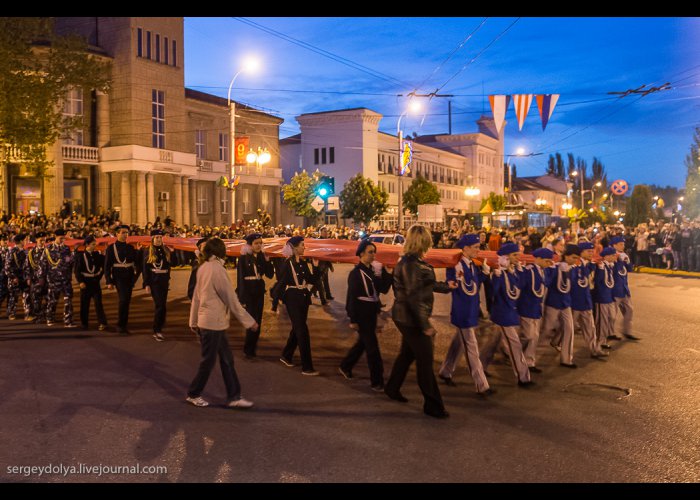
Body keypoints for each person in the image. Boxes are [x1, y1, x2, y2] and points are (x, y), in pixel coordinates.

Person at [384, 224, 457, 419]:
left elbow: (426, 285)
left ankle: (392, 388)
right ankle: (432, 405)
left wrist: (446, 286)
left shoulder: (414, 262)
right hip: (410, 318)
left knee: (407, 355)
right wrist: (425, 325)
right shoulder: (411, 264)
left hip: (407, 316)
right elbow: (413, 297)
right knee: (425, 362)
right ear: (423, 241)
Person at [187, 237, 258, 409]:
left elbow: (196, 296)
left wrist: (193, 320)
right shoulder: (217, 269)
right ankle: (194, 393)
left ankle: (234, 396)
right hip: (213, 323)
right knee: (209, 361)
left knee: (226, 359)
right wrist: (248, 321)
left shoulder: (203, 267)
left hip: (209, 321)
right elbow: (230, 298)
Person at [437, 234, 493, 395]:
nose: (478, 250)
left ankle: (446, 371)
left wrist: (485, 273)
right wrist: (450, 282)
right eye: (476, 247)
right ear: (466, 248)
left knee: (459, 343)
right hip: (462, 312)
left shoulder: (471, 265)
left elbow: (474, 283)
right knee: (471, 348)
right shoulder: (456, 265)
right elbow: (452, 280)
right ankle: (481, 384)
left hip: (471, 310)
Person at [340, 239, 393, 391]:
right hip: (362, 314)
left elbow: (383, 289)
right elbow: (351, 297)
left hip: (371, 313)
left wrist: (387, 274)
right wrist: (353, 319)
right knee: (372, 349)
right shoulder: (355, 273)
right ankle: (377, 381)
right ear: (361, 253)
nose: (373, 255)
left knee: (363, 343)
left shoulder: (374, 271)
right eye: (370, 252)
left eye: (374, 252)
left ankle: (345, 365)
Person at [480, 243, 533, 387]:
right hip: (502, 314)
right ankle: (523, 377)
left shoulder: (513, 272)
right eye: (515, 255)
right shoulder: (500, 273)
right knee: (514, 345)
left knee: (492, 342)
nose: (518, 257)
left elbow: (520, 288)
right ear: (506, 257)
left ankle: (480, 367)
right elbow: (492, 294)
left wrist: (520, 271)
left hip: (510, 313)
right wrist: (496, 275)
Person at [277, 236, 322, 375]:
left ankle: (286, 355)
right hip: (292, 299)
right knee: (302, 331)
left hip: (303, 298)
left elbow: (311, 280)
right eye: (302, 245)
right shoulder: (287, 263)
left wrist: (315, 267)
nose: (304, 247)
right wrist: (275, 303)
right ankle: (307, 367)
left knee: (297, 329)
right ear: (295, 247)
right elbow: (281, 282)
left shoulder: (302, 263)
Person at [540, 244, 580, 368]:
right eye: (573, 257)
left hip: (565, 303)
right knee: (546, 330)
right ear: (566, 256)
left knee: (569, 328)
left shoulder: (572, 269)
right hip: (553, 303)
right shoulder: (554, 268)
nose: (575, 260)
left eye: (576, 258)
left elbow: (571, 287)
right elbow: (546, 283)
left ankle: (567, 359)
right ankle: (529, 358)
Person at [236, 233, 274, 359]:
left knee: (258, 319)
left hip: (258, 291)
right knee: (251, 320)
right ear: (250, 245)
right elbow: (240, 279)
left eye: (260, 243)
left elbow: (269, 275)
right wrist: (242, 298)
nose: (259, 245)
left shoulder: (262, 257)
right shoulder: (243, 258)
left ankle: (252, 347)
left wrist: (268, 262)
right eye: (256, 243)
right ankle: (248, 348)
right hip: (249, 292)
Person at [516, 247, 554, 373]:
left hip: (536, 307)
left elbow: (547, 284)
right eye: (547, 261)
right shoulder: (529, 271)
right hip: (527, 306)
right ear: (538, 259)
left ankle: (530, 361)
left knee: (535, 336)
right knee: (528, 336)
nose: (549, 264)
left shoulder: (545, 271)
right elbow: (520, 285)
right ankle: (511, 351)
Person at [104, 224, 141, 335]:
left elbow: (136, 262)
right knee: (123, 300)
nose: (125, 235)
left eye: (127, 233)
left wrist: (138, 251)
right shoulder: (111, 248)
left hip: (129, 277)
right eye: (123, 232)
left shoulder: (130, 248)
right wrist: (109, 281)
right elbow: (107, 266)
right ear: (117, 234)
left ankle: (123, 324)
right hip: (118, 276)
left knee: (126, 301)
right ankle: (120, 325)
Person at [42, 229, 77, 328]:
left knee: (68, 300)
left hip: (65, 278)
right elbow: (43, 264)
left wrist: (73, 254)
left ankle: (68, 320)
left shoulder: (66, 248)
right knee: (52, 300)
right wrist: (42, 278)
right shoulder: (48, 249)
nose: (62, 240)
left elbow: (69, 261)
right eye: (60, 238)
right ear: (55, 237)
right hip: (53, 279)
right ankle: (50, 318)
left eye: (63, 238)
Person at [74, 235, 108, 331]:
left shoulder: (97, 255)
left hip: (95, 283)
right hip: (85, 283)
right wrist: (80, 281)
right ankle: (84, 323)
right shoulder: (80, 256)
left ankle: (102, 322)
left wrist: (99, 276)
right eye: (93, 244)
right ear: (87, 245)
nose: (95, 246)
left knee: (98, 303)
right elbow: (77, 270)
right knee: (84, 304)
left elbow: (105, 264)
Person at [143, 229, 171, 341]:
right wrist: (146, 284)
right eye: (157, 238)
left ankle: (160, 324)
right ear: (152, 239)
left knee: (163, 305)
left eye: (160, 237)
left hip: (163, 281)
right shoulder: (148, 251)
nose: (159, 240)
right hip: (154, 281)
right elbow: (145, 269)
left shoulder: (166, 250)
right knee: (160, 305)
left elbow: (170, 266)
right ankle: (157, 330)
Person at [610, 236, 639, 341]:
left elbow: (629, 269)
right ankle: (610, 332)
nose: (623, 246)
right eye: (621, 244)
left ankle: (627, 331)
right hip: (614, 290)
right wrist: (617, 258)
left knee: (629, 310)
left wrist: (626, 261)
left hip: (624, 288)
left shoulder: (624, 255)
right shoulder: (610, 255)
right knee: (612, 314)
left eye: (623, 244)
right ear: (614, 245)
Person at [592, 246, 618, 351]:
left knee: (611, 317)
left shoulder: (610, 266)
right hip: (601, 297)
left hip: (609, 296)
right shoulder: (600, 266)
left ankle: (602, 339)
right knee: (601, 321)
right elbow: (597, 281)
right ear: (606, 256)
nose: (615, 256)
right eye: (612, 255)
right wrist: (601, 269)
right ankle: (600, 341)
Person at [23, 232, 48, 323]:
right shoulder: (31, 252)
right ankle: (38, 316)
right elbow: (27, 266)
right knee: (36, 299)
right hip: (35, 279)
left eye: (44, 240)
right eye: (41, 240)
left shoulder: (48, 251)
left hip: (47, 278)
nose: (42, 242)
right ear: (36, 241)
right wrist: (28, 278)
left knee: (48, 298)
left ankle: (45, 315)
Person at [5, 234, 29, 321]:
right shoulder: (12, 252)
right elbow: (7, 267)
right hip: (15, 278)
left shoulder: (25, 251)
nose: (26, 241)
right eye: (25, 240)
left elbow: (27, 266)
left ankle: (27, 314)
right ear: (21, 241)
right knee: (13, 297)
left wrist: (28, 277)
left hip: (24, 277)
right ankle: (11, 313)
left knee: (26, 296)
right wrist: (13, 277)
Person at [187, 237, 209, 301]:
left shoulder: (215, 262)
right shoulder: (197, 264)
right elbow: (192, 287)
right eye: (204, 246)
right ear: (200, 249)